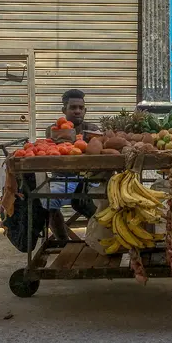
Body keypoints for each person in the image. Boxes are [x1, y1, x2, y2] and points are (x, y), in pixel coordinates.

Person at [43, 89, 101, 241]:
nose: (77, 111)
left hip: (89, 180)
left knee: (105, 200)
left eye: (81, 108)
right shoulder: (54, 130)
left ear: (85, 110)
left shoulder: (93, 130)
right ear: (64, 110)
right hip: (62, 180)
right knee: (48, 200)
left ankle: (94, 240)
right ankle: (64, 242)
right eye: (73, 108)